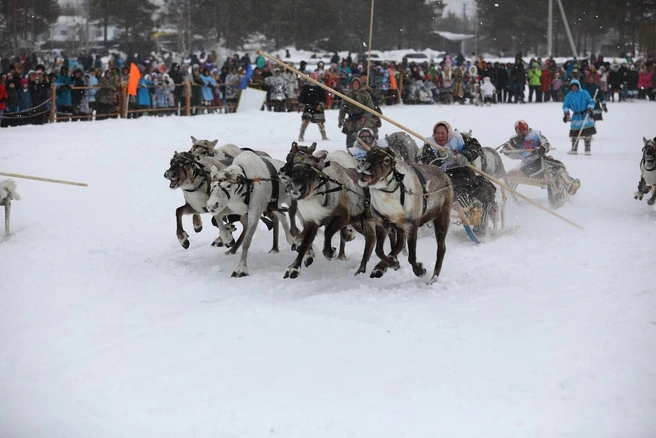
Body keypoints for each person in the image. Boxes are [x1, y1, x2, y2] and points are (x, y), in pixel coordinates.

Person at [420, 121, 496, 235]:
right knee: (457, 192)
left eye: (442, 133)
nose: (439, 136)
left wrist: (466, 155)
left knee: (487, 189)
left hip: (467, 174)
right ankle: (470, 213)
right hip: (445, 179)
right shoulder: (430, 145)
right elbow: (427, 163)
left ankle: (480, 224)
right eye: (437, 133)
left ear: (449, 133)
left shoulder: (460, 139)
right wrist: (440, 159)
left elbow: (476, 147)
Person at [500, 120, 580, 195]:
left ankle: (566, 186)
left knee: (555, 167)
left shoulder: (536, 135)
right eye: (519, 129)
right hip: (528, 166)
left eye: (524, 127)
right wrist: (513, 144)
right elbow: (506, 151)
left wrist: (543, 148)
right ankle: (569, 184)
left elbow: (546, 143)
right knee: (555, 166)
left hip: (541, 160)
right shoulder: (514, 140)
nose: (523, 131)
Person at [338, 77, 377, 149]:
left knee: (364, 137)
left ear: (359, 84)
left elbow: (370, 107)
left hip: (362, 120)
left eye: (356, 83)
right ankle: (351, 152)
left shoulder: (365, 94)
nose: (355, 85)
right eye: (353, 83)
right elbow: (343, 107)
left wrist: (365, 117)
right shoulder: (348, 95)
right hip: (351, 121)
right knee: (350, 140)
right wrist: (341, 116)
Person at [562, 79, 596, 155]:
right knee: (574, 133)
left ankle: (587, 149)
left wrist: (590, 108)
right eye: (572, 87)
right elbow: (565, 105)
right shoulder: (569, 95)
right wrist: (566, 113)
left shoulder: (584, 93)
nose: (574, 88)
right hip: (576, 116)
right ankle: (574, 149)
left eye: (575, 86)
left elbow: (591, 101)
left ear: (578, 86)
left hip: (585, 115)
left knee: (587, 133)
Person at [298, 72, 328, 142]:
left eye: (314, 78)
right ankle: (301, 136)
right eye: (312, 78)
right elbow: (302, 97)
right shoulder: (306, 87)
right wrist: (302, 105)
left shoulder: (320, 87)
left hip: (318, 107)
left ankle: (324, 136)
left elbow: (323, 98)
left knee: (320, 124)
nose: (313, 79)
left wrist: (320, 105)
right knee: (305, 122)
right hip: (308, 107)